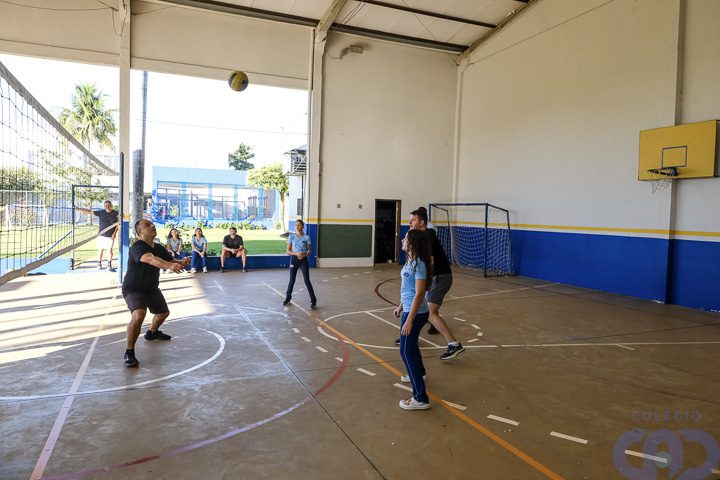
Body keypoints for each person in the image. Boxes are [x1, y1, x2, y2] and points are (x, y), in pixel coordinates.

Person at [395, 208, 466, 360]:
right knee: (425, 310)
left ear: (422, 222)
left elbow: (429, 263)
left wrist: (423, 282)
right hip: (434, 278)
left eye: (413, 220)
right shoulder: (421, 236)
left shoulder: (428, 236)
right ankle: (410, 337)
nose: (410, 223)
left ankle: (454, 344)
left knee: (431, 313)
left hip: (440, 277)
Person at [122, 219, 191, 367]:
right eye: (147, 225)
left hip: (151, 288)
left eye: (152, 224)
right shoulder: (137, 247)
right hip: (134, 288)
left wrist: (181, 262)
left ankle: (152, 333)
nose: (152, 226)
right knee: (139, 315)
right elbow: (150, 259)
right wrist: (168, 265)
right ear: (140, 232)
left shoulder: (158, 247)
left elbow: (172, 260)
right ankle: (129, 352)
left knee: (163, 313)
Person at [393, 229, 433, 410]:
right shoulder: (410, 260)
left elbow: (419, 294)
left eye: (406, 238)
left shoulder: (420, 264)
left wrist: (409, 319)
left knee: (406, 351)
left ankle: (420, 398)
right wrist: (401, 306)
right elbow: (408, 289)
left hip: (416, 313)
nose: (403, 240)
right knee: (410, 347)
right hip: (409, 309)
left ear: (413, 243)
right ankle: (420, 373)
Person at [74, 200, 119, 272]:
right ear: (104, 206)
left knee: (109, 250)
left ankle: (109, 265)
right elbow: (89, 212)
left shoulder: (115, 213)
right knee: (100, 250)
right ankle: (99, 264)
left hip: (110, 236)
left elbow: (118, 224)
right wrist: (79, 209)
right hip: (101, 235)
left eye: (109, 205)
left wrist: (115, 233)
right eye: (106, 205)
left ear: (111, 206)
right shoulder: (101, 212)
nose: (107, 206)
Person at [284, 219, 317, 309]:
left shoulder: (306, 238)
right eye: (295, 225)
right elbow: (288, 251)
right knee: (292, 280)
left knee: (307, 280)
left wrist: (304, 255)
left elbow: (310, 251)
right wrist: (296, 254)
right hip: (294, 259)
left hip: (303, 260)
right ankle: (288, 298)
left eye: (298, 225)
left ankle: (313, 301)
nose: (297, 227)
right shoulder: (291, 237)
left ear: (302, 226)